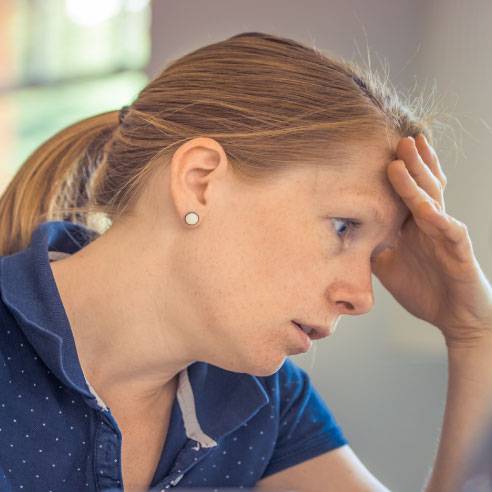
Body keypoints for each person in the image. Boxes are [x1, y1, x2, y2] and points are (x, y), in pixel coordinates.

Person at [0, 31, 491, 492]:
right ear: (200, 180)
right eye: (343, 227)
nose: (361, 298)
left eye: (377, 256)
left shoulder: (263, 401)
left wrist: (475, 333)